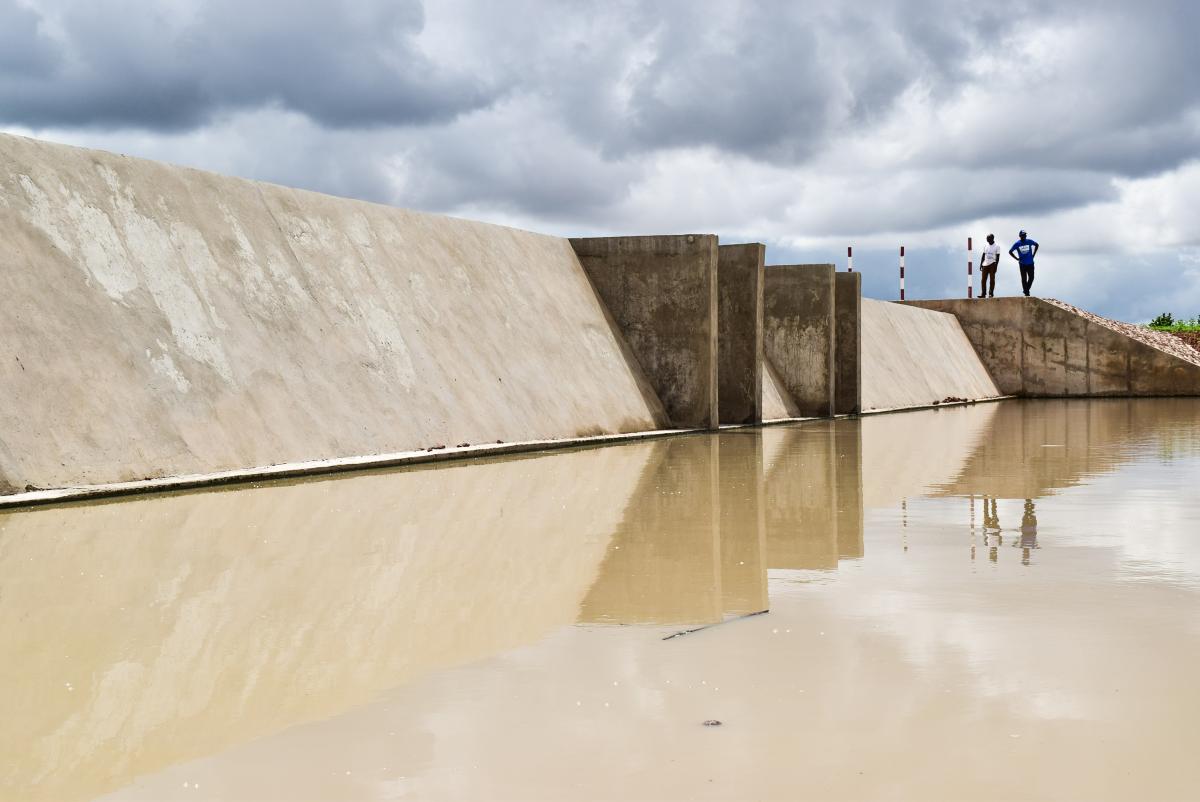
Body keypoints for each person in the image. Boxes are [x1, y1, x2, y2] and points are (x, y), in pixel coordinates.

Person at [1008, 230, 1039, 296]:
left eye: (1025, 235)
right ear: (1020, 236)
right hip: (1022, 264)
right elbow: (1010, 252)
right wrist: (1016, 258)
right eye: (1022, 235)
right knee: (1024, 278)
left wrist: (1033, 255)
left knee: (1031, 277)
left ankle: (1026, 290)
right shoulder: (1017, 244)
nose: (1024, 236)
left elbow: (1037, 245)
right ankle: (1027, 293)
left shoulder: (1029, 241)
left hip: (1030, 263)